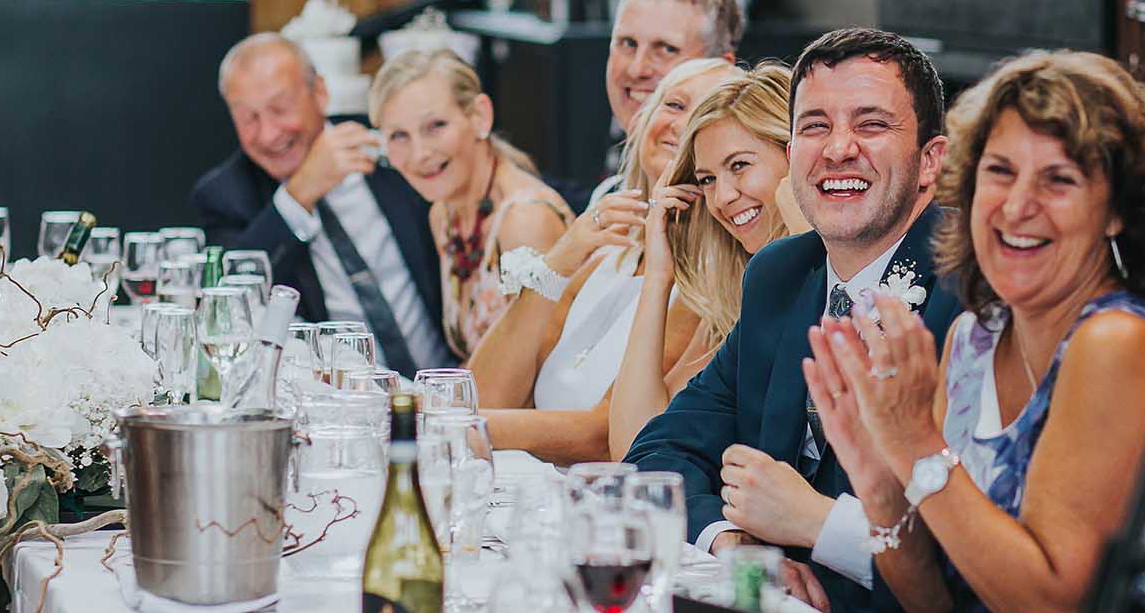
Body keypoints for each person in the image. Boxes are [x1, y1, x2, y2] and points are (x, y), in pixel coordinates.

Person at [800, 49, 1145, 613]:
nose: (1018, 204)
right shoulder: (975, 337)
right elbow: (933, 600)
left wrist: (916, 445)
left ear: (1120, 208)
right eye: (999, 173)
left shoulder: (1116, 341)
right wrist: (880, 485)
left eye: (1058, 179)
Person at [627, 29, 963, 613]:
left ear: (929, 161)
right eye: (813, 127)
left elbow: (964, 565)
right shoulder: (781, 274)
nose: (837, 149)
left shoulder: (967, 291)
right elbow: (658, 451)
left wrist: (815, 521)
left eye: (871, 124)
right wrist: (733, 539)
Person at [466, 57, 737, 464]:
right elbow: (487, 394)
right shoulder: (608, 253)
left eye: (704, 113)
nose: (682, 124)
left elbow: (604, 433)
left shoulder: (712, 285)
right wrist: (559, 260)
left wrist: (448, 424)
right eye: (674, 105)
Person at [192, 33, 448, 375]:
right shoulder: (226, 195)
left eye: (280, 109)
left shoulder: (390, 142)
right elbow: (223, 307)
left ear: (321, 93)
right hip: (340, 405)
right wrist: (297, 197)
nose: (268, 134)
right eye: (248, 118)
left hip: (448, 379)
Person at [607, 62, 810, 458]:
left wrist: (804, 236)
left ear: (795, 156)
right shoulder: (734, 292)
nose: (723, 198)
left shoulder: (846, 275)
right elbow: (635, 446)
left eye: (739, 166)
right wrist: (658, 277)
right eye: (707, 180)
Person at [368, 47, 572, 359]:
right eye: (399, 136)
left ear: (480, 116)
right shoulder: (444, 215)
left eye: (435, 126)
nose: (419, 153)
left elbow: (539, 376)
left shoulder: (525, 221)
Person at [595, 0, 744, 202]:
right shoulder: (607, 197)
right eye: (628, 43)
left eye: (666, 48)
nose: (637, 69)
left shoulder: (736, 206)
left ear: (721, 68)